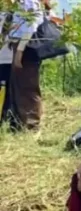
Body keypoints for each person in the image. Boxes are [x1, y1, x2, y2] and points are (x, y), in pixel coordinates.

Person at [0, 0, 43, 130]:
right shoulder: (13, 4)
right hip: (16, 46)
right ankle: (19, 123)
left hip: (26, 48)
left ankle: (31, 125)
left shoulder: (29, 2)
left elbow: (30, 27)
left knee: (27, 88)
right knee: (17, 88)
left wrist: (20, 51)